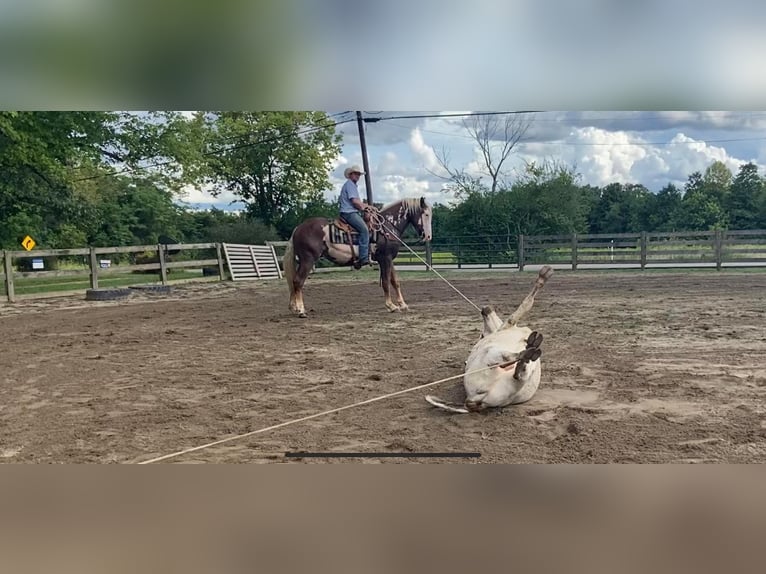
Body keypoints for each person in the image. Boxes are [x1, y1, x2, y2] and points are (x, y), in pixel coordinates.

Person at [338, 164, 372, 268]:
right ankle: (363, 257)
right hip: (349, 213)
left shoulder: (350, 185)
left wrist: (366, 206)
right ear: (350, 174)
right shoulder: (350, 185)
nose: (358, 176)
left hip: (349, 212)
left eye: (359, 174)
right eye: (356, 174)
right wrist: (366, 208)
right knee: (364, 230)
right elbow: (355, 202)